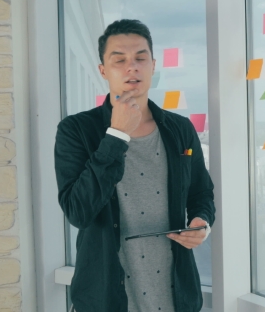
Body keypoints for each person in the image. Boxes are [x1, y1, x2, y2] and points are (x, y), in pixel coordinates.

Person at [54, 19, 215, 312]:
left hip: (177, 296)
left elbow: (201, 192)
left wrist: (202, 223)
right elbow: (78, 211)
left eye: (141, 58)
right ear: (103, 70)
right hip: (105, 299)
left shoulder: (180, 129)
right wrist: (116, 135)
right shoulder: (76, 130)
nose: (132, 67)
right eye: (120, 60)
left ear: (153, 65)